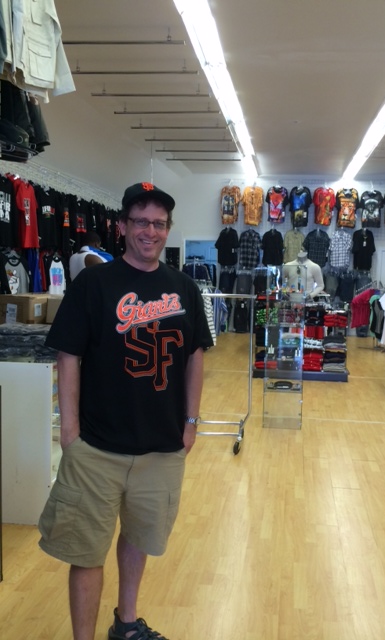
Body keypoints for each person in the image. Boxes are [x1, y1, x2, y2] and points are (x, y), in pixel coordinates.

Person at [38, 182, 214, 640]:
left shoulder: (184, 287)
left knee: (139, 539)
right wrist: (70, 432)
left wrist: (191, 423)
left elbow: (196, 355)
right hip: (96, 446)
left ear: (167, 229)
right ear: (122, 226)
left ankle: (127, 624)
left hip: (162, 446)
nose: (149, 231)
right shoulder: (93, 284)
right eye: (140, 222)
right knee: (86, 551)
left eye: (158, 223)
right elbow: (69, 355)